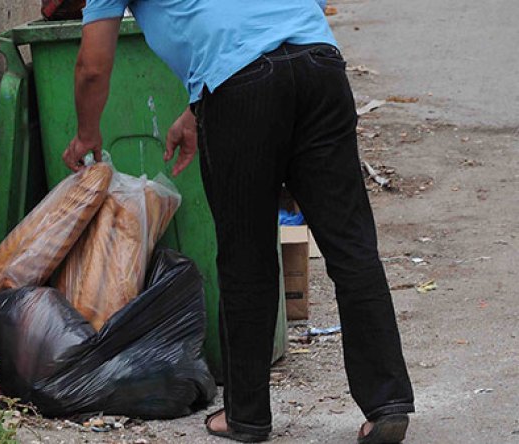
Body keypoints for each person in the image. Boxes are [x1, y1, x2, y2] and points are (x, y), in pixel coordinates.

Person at [61, 0, 415, 442]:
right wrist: (197, 107)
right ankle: (387, 403)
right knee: (351, 245)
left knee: (247, 256)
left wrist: (87, 134)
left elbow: (92, 68)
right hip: (319, 65)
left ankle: (247, 416)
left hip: (242, 87)